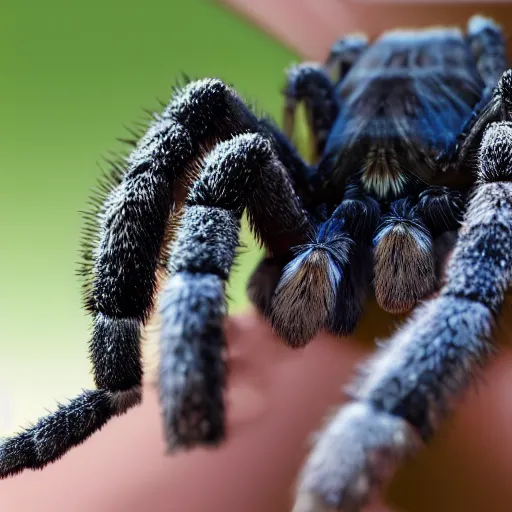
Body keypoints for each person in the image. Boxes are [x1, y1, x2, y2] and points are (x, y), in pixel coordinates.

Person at [2, 2, 512, 510]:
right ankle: (149, 389)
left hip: (448, 147)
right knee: (216, 127)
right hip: (357, 165)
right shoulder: (307, 173)